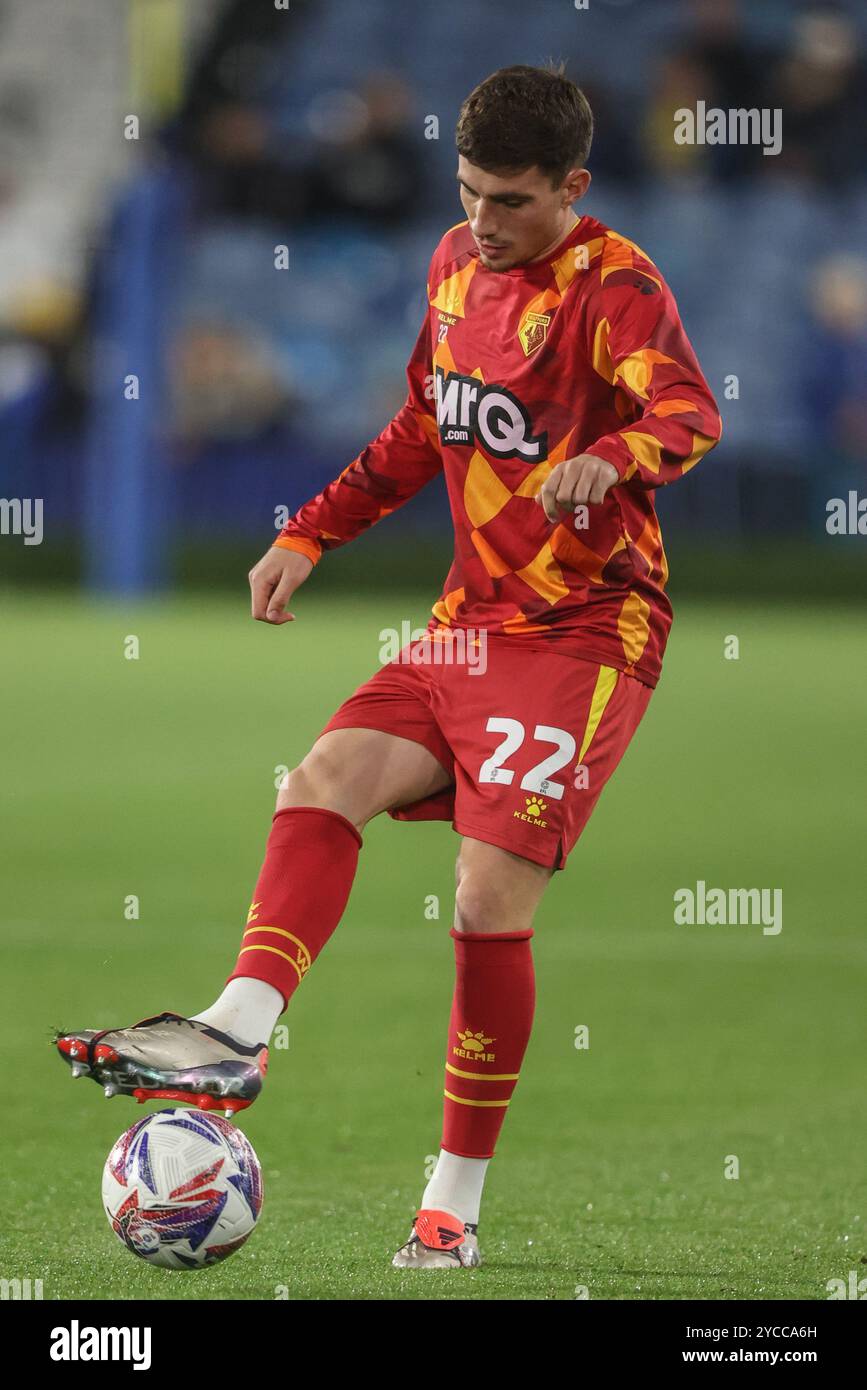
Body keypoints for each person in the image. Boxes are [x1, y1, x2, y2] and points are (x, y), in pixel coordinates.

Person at [56, 64, 722, 1271]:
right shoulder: (454, 266)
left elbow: (688, 411)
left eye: (511, 201)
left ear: (572, 187)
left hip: (584, 633)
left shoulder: (615, 286)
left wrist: (616, 454)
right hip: (470, 621)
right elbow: (424, 425)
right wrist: (308, 529)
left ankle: (451, 1205)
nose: (482, 220)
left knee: (484, 902)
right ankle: (240, 1028)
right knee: (321, 776)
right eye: (468, 192)